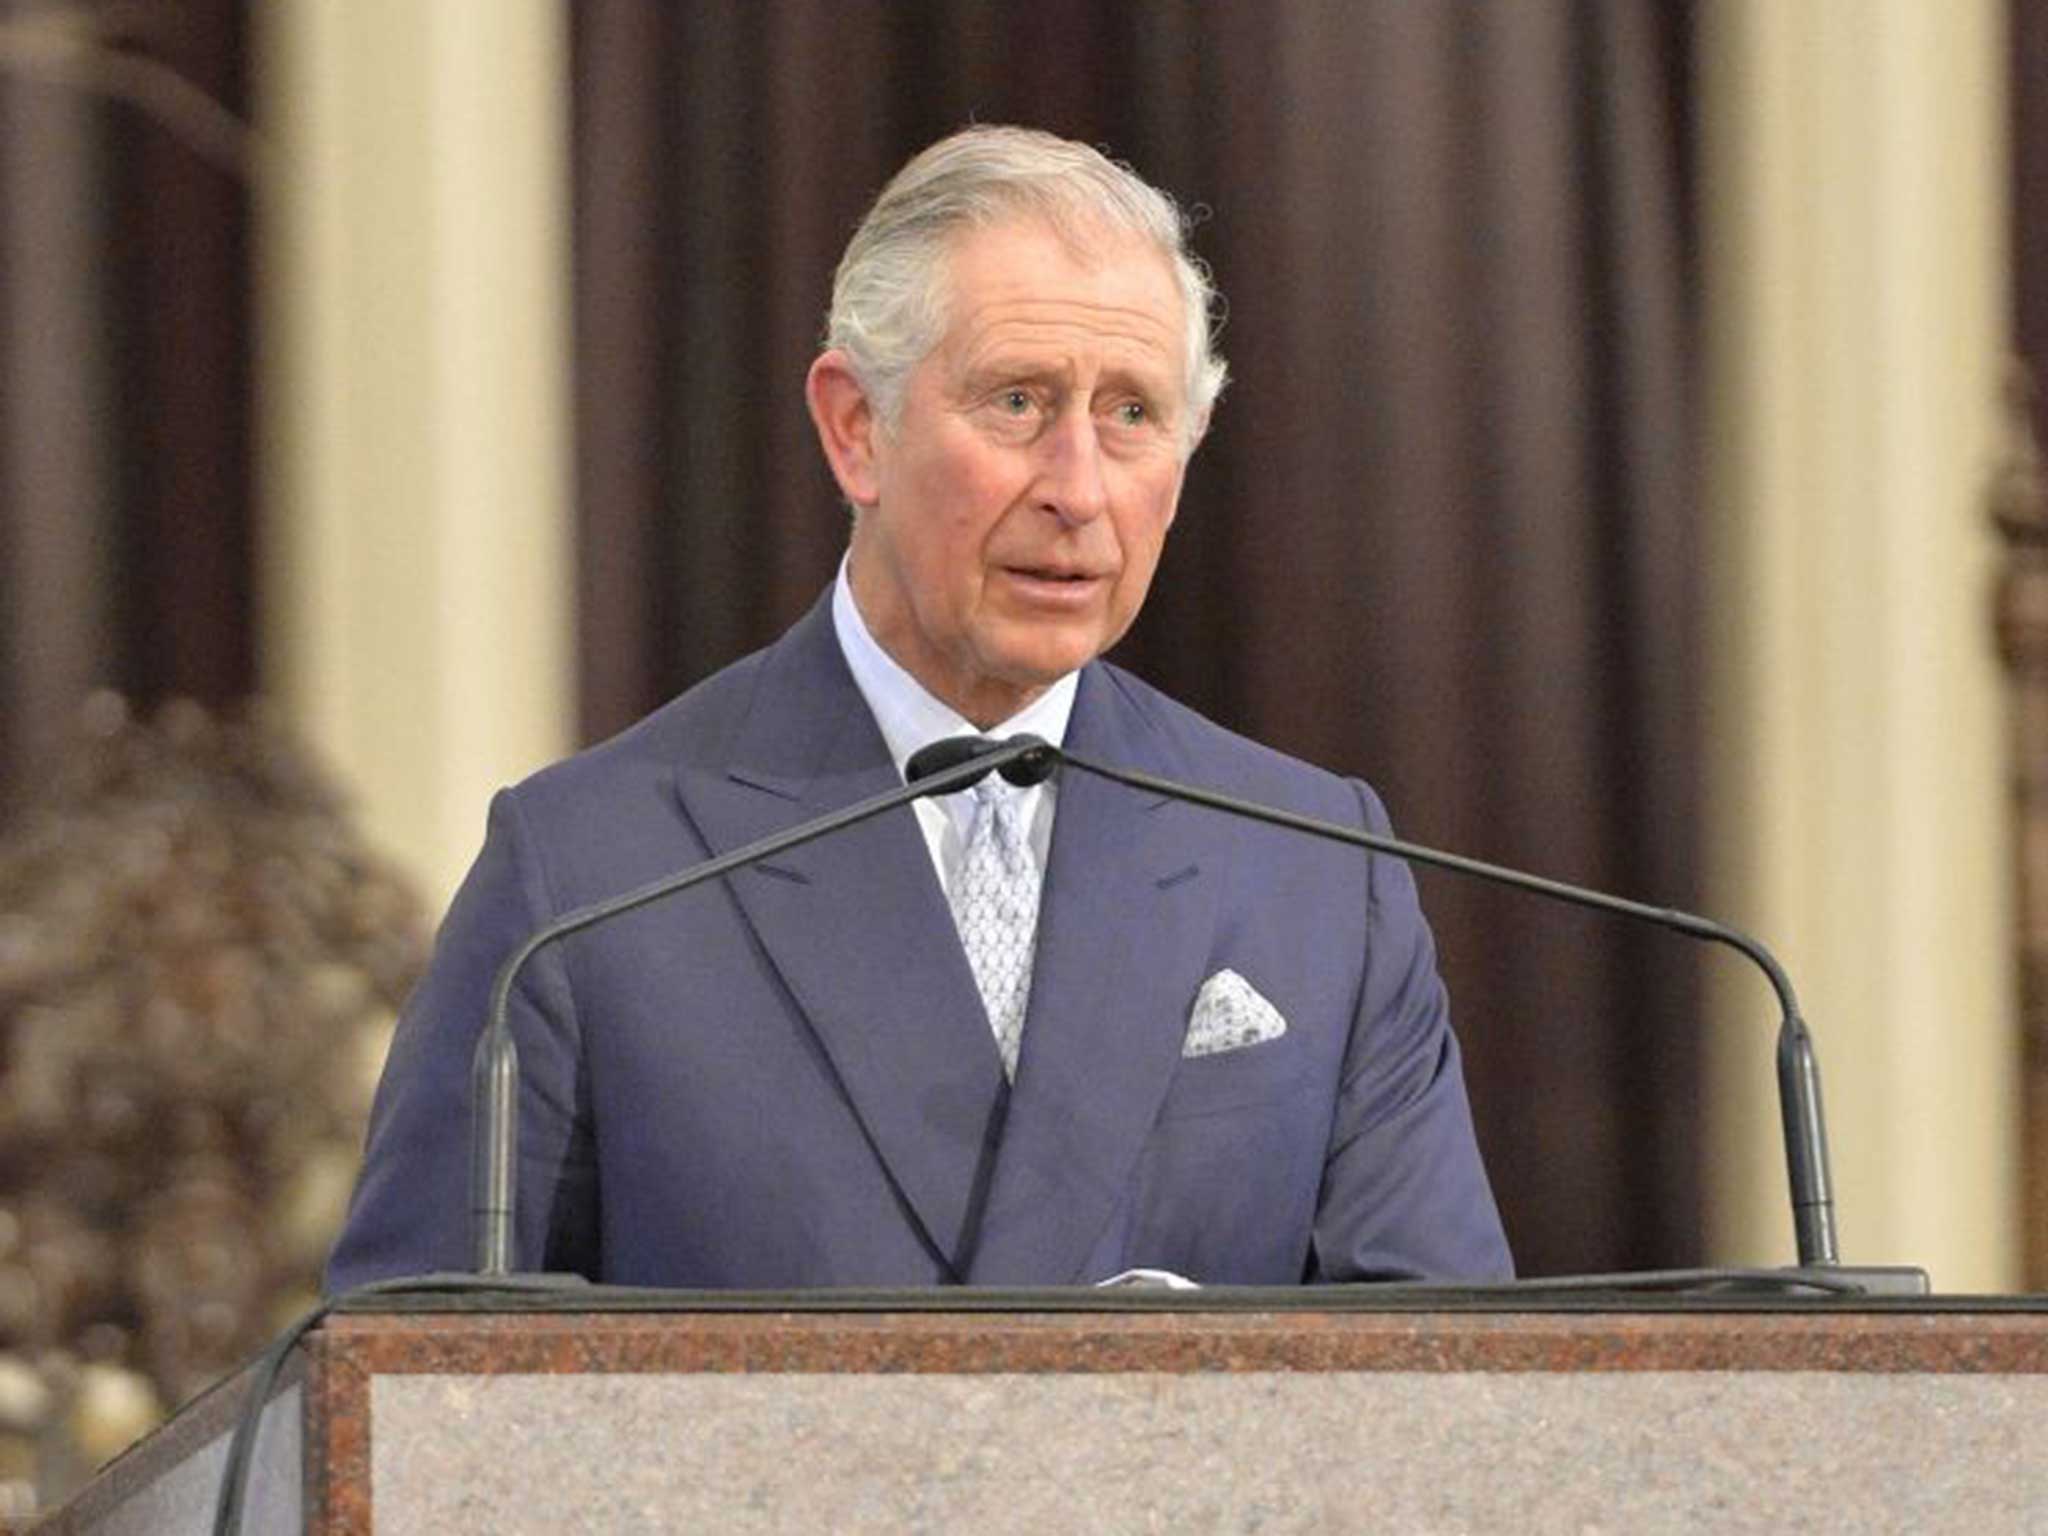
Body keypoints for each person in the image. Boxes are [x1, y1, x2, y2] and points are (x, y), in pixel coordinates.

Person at [327, 125, 1511, 1290]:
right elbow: (411, 1402)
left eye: (1132, 415)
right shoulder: (587, 877)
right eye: (1015, 401)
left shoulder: (1311, 867)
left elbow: (1449, 1391)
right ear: (856, 429)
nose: (1078, 489)